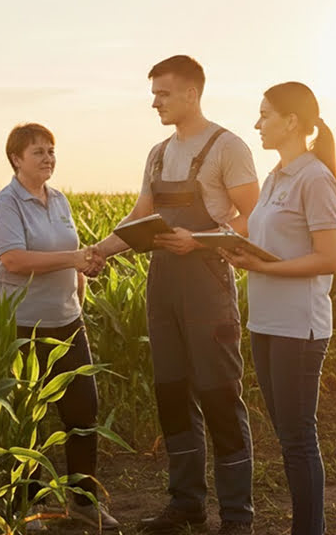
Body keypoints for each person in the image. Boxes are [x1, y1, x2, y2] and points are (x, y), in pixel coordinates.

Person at [91, 55, 260, 535]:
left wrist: (200, 241)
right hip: (161, 283)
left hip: (206, 282)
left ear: (191, 93)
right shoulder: (159, 154)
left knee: (220, 396)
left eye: (162, 93)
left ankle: (236, 517)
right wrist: (99, 251)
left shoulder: (227, 147)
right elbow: (141, 214)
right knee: (170, 393)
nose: (154, 102)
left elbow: (255, 214)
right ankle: (186, 503)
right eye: (154, 93)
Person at [219, 82, 336, 535]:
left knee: (297, 440)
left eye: (265, 115)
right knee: (287, 437)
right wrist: (234, 248)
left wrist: (261, 267)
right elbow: (263, 237)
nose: (257, 124)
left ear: (292, 122)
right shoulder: (274, 176)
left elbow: (328, 259)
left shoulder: (315, 178)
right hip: (265, 322)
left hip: (299, 327)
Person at [0, 122, 118, 531]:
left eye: (51, 150)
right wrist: (75, 258)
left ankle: (83, 502)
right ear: (15, 159)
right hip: (22, 324)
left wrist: (85, 273)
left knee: (83, 414)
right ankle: (28, 506)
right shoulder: (4, 204)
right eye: (38, 152)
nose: (48, 158)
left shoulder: (58, 199)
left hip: (67, 320)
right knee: (28, 418)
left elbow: (71, 254)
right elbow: (13, 260)